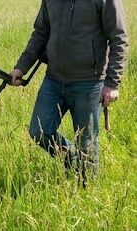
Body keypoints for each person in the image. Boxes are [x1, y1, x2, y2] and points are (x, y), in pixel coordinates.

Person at [10, 0, 129, 178]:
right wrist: (21, 67)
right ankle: (75, 163)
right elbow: (41, 33)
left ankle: (87, 190)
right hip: (54, 79)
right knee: (39, 131)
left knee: (86, 144)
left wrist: (112, 83)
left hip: (89, 82)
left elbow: (119, 38)